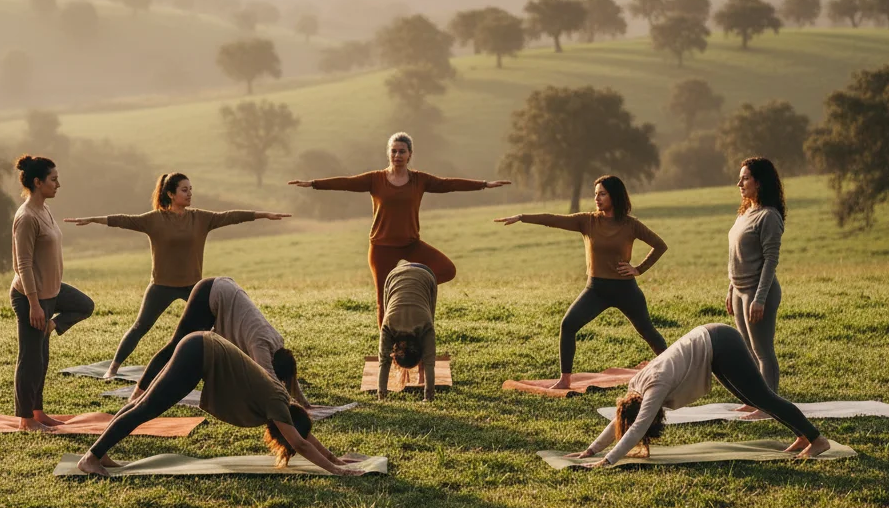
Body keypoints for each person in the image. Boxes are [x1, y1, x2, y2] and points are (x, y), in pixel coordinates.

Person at [65, 172, 290, 378]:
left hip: (193, 287)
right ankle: (113, 368)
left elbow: (230, 216)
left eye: (191, 189)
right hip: (161, 285)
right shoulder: (154, 219)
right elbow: (123, 220)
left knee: (212, 331)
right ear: (171, 194)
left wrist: (263, 214)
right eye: (184, 189)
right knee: (140, 327)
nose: (190, 193)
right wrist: (94, 219)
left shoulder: (201, 218)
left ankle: (233, 366)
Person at [288, 132, 510, 324]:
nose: (397, 155)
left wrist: (484, 185)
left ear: (410, 154)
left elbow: (448, 185)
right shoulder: (375, 179)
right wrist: (314, 183)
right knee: (382, 302)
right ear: (388, 153)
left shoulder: (420, 180)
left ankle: (408, 290)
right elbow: (346, 182)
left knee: (447, 269)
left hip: (411, 245)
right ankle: (390, 351)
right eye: (393, 151)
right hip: (381, 247)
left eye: (402, 151)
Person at [76, 332, 364, 477]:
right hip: (200, 354)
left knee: (145, 404)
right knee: (147, 408)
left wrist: (334, 457)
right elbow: (300, 443)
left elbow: (302, 436)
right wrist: (338, 471)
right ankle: (91, 457)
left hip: (200, 345)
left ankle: (98, 454)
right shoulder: (277, 404)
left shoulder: (280, 400)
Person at [567, 322, 830, 467]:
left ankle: (817, 439)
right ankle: (802, 434)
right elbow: (621, 422)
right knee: (753, 399)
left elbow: (636, 428)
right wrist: (591, 451)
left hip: (721, 342)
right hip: (713, 343)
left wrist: (608, 461)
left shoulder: (654, 388)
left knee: (762, 397)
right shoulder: (634, 388)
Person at [495, 175, 668, 388]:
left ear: (615, 195)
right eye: (595, 194)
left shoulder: (630, 225)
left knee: (647, 331)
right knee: (568, 325)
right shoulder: (588, 221)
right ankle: (565, 380)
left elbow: (660, 245)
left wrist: (638, 269)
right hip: (595, 289)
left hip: (625, 289)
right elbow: (553, 219)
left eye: (602, 194)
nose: (597, 198)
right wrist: (522, 217)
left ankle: (674, 370)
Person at [128, 276, 310, 406]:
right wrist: (289, 407)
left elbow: (289, 377)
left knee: (182, 350)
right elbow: (270, 383)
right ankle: (139, 392)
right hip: (211, 292)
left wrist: (304, 403)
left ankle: (147, 390)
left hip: (224, 289)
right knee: (175, 345)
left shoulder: (278, 342)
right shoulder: (260, 345)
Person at [9, 155, 95, 430]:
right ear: (38, 182)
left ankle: (38, 412)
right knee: (31, 358)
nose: (59, 184)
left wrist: (52, 318)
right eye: (54, 179)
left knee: (84, 305)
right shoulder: (26, 217)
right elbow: (22, 263)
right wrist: (34, 305)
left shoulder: (44, 210)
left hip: (51, 292)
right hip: (30, 296)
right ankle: (26, 419)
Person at [726, 157, 785, 416]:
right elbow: (736, 255)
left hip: (758, 292)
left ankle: (769, 406)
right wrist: (731, 290)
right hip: (740, 291)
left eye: (745, 178)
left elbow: (771, 261)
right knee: (748, 352)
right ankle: (754, 399)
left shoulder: (769, 216)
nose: (739, 183)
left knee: (763, 352)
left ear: (759, 182)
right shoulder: (746, 212)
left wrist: (759, 299)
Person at [379, 261, 438, 401]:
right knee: (427, 311)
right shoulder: (388, 325)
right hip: (395, 276)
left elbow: (384, 362)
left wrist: (382, 398)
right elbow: (429, 362)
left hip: (417, 275)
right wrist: (428, 398)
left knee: (427, 312)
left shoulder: (425, 325)